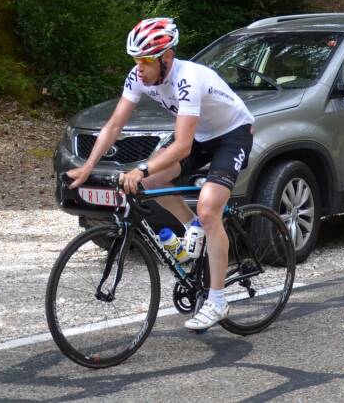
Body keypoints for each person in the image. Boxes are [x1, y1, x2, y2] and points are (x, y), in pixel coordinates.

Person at [66, 17, 255, 330]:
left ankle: (218, 300)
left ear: (167, 57)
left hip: (232, 133)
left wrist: (140, 168)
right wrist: (88, 167)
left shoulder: (187, 80)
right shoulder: (138, 76)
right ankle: (191, 226)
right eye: (135, 60)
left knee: (209, 210)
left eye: (146, 61)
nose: (139, 68)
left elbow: (181, 146)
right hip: (201, 135)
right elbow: (114, 125)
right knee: (154, 182)